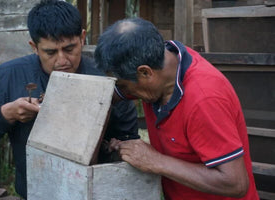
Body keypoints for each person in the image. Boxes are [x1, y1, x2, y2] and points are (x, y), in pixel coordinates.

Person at [0, 1, 138, 199]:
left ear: (82, 38)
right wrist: (6, 114)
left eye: (69, 49)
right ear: (34, 47)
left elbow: (129, 139)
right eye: (50, 52)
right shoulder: (8, 76)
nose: (62, 60)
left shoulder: (108, 79)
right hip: (35, 193)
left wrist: (117, 147)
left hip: (97, 193)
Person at [94, 18, 259, 200]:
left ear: (145, 72)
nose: (122, 92)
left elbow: (236, 183)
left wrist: (155, 161)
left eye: (123, 86)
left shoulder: (204, 100)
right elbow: (109, 95)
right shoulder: (163, 62)